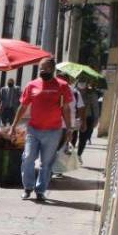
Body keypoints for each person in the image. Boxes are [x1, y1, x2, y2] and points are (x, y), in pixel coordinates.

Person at [8, 58, 72, 202]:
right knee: (28, 158)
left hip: (53, 131)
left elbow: (66, 108)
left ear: (53, 69)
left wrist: (69, 128)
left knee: (46, 163)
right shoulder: (31, 85)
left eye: (45, 68)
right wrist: (13, 125)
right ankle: (27, 187)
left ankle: (41, 190)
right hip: (33, 130)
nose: (42, 71)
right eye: (40, 68)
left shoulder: (62, 86)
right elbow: (23, 107)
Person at [78, 80, 100, 157]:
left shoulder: (92, 94)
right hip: (75, 117)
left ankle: (78, 154)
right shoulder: (75, 92)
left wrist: (96, 119)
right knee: (73, 136)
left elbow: (95, 107)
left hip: (87, 118)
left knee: (83, 138)